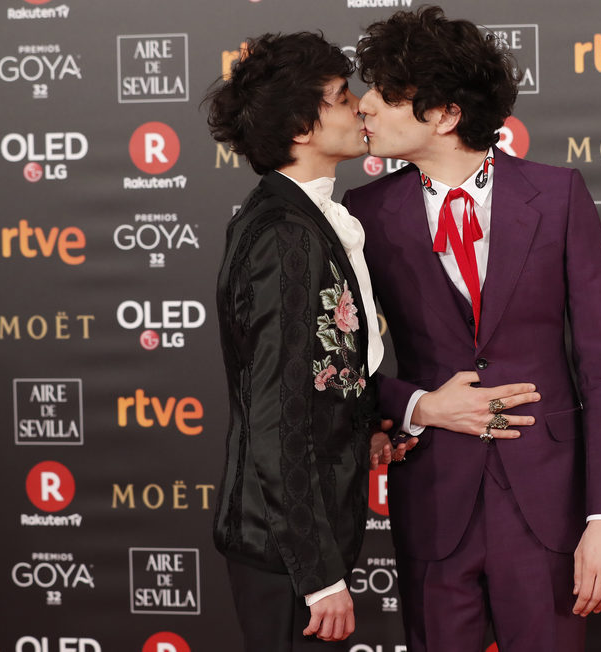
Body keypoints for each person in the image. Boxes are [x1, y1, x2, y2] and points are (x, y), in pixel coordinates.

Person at [342, 7, 601, 651]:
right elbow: (341, 369)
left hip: (548, 505)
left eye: (388, 94)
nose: (365, 106)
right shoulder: (362, 212)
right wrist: (421, 405)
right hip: (433, 503)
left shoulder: (556, 196)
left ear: (445, 115)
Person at [204, 32, 409, 651]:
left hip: (297, 533)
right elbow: (275, 411)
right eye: (342, 97)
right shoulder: (283, 235)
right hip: (285, 546)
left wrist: (368, 422)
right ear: (301, 126)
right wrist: (318, 577)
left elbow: (318, 365)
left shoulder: (297, 217)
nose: (360, 108)